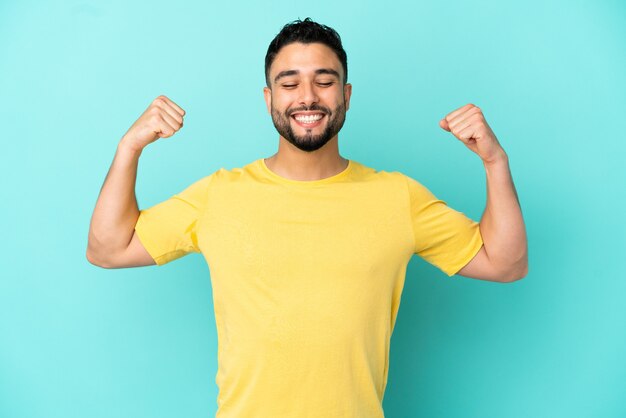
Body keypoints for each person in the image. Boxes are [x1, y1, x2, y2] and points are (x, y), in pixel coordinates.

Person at [87, 17, 527, 418]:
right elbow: (109, 248)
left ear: (346, 95)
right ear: (269, 98)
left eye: (324, 81)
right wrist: (130, 147)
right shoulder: (218, 196)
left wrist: (495, 162)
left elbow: (505, 263)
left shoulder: (397, 197)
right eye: (289, 83)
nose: (308, 97)